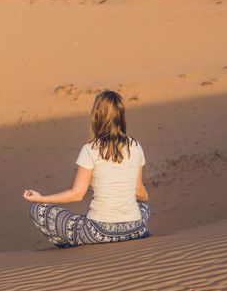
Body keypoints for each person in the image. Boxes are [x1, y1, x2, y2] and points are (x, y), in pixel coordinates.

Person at [23, 90, 151, 248]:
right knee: (143, 207)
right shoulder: (135, 146)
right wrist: (144, 200)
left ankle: (68, 245)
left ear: (97, 115)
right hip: (136, 230)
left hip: (99, 232)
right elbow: (139, 191)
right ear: (121, 115)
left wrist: (40, 198)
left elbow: (77, 194)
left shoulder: (90, 149)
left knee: (37, 210)